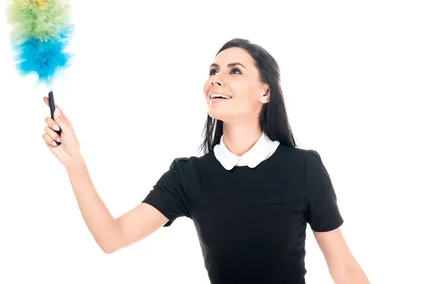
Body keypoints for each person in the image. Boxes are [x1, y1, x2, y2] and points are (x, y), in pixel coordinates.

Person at [41, 38, 369, 283]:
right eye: (213, 71)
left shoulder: (304, 168)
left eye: (234, 71)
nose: (215, 79)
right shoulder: (188, 176)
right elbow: (112, 238)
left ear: (265, 92)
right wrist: (75, 163)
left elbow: (343, 266)